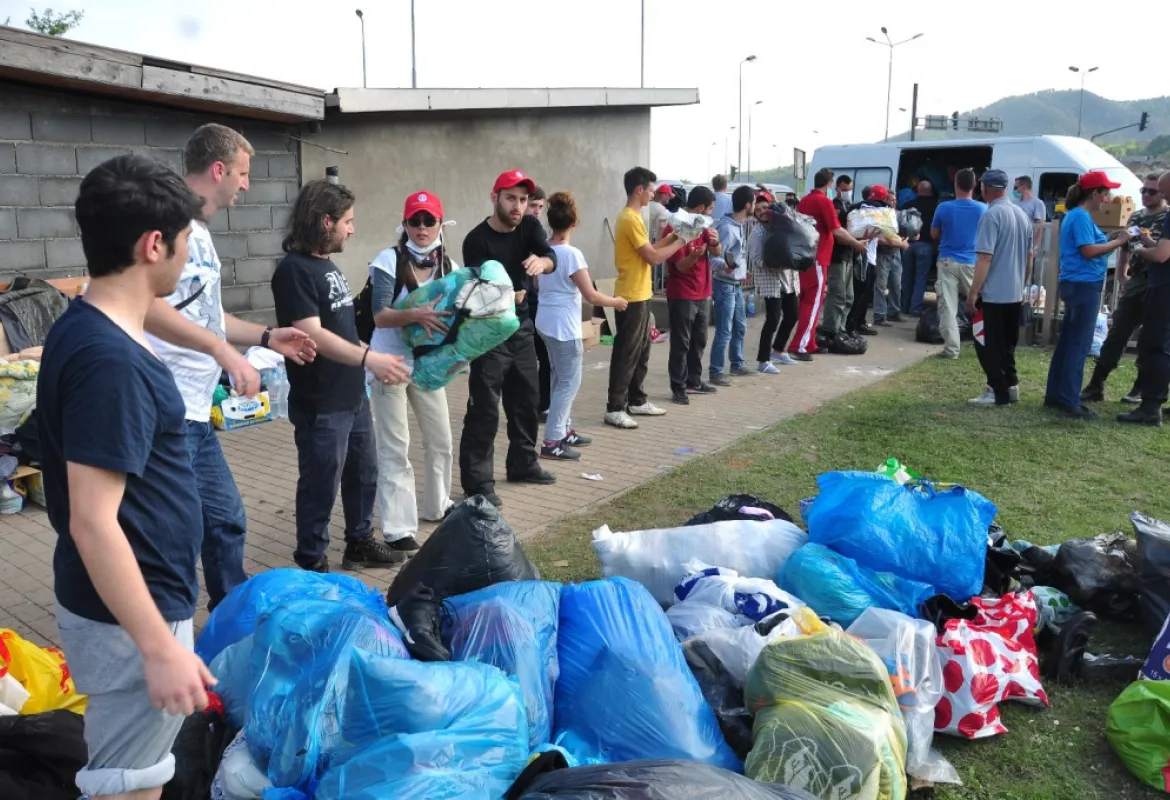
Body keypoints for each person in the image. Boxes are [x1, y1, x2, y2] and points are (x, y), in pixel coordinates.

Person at [40, 153, 215, 800]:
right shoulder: (109, 361)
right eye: (185, 243)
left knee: (134, 775)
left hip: (126, 602)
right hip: (128, 612)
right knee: (126, 786)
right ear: (152, 245)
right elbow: (91, 518)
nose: (186, 257)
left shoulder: (93, 325)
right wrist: (159, 647)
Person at [142, 124, 316, 611]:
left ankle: (229, 621)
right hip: (166, 409)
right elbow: (142, 305)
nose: (246, 185)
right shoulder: (168, 226)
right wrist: (224, 354)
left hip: (195, 411)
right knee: (181, 529)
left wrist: (266, 337)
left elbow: (207, 316)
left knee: (224, 520)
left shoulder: (200, 235)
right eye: (242, 173)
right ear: (218, 170)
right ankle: (172, 630)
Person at [272, 180, 411, 572]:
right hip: (321, 402)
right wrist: (371, 358)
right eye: (347, 221)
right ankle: (311, 558)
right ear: (325, 221)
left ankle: (360, 542)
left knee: (364, 472)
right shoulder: (293, 271)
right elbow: (312, 332)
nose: (352, 229)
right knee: (321, 481)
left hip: (352, 395)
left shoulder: (326, 265)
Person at [366, 190, 457, 553]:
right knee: (395, 447)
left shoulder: (448, 265)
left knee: (441, 439)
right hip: (390, 361)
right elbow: (380, 315)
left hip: (429, 364)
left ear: (439, 222)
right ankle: (399, 528)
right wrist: (415, 315)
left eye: (428, 220)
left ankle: (439, 505)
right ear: (404, 224)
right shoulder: (388, 260)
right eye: (414, 220)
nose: (422, 227)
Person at [460, 170, 558, 504]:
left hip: (522, 329)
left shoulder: (530, 226)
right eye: (511, 198)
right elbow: (475, 292)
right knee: (485, 409)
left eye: (524, 199)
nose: (519, 206)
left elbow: (551, 257)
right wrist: (507, 295)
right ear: (495, 197)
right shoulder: (476, 240)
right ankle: (478, 484)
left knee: (527, 401)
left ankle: (523, 462)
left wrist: (541, 262)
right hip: (488, 334)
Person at [537, 191, 627, 454]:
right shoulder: (572, 254)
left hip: (545, 321)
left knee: (559, 378)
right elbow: (590, 295)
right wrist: (616, 302)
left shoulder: (543, 250)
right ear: (574, 223)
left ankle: (563, 430)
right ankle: (552, 440)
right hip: (564, 327)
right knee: (569, 383)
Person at [1044, 171, 1131, 419]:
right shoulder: (1081, 217)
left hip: (1074, 283)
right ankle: (1069, 400)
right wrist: (1119, 241)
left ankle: (1055, 394)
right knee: (1078, 345)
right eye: (1106, 193)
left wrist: (1109, 238)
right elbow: (1089, 251)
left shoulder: (1076, 215)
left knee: (1068, 342)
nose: (1108, 198)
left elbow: (1090, 244)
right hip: (1084, 286)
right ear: (1095, 193)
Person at [606, 167, 686, 429]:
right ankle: (615, 407)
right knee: (626, 352)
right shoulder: (629, 218)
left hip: (641, 293)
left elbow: (649, 249)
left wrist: (677, 236)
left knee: (642, 351)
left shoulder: (636, 217)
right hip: (630, 294)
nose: (654, 195)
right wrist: (679, 244)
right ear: (639, 189)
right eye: (651, 190)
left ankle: (637, 401)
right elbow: (652, 258)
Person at [1082, 173, 1168, 404]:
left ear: (1163, 193)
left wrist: (1144, 248)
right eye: (1143, 191)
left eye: (1152, 191)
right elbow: (1125, 248)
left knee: (1150, 339)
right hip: (1137, 281)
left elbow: (1160, 253)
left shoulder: (1166, 217)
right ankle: (1096, 385)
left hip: (1158, 283)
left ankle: (1139, 388)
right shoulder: (1137, 216)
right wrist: (1121, 274)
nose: (1146, 195)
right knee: (1118, 333)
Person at [966, 170, 1033, 407]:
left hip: (994, 293)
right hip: (1014, 291)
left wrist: (974, 291)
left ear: (985, 188)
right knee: (1007, 344)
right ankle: (1011, 385)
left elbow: (985, 257)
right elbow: (1029, 256)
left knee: (987, 343)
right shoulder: (1021, 214)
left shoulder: (991, 215)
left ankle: (997, 390)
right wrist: (1022, 283)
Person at [793, 169, 867, 360]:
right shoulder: (823, 201)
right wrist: (856, 243)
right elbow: (837, 230)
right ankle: (801, 345)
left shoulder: (805, 200)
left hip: (806, 256)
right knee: (814, 301)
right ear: (830, 184)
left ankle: (808, 342)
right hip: (818, 257)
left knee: (808, 301)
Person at [1119, 170, 1170, 426]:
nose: (1159, 195)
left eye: (1161, 190)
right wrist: (1151, 242)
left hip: (1163, 288)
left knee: (1154, 345)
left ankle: (1150, 408)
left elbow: (1162, 256)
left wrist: (1140, 248)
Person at [664, 186, 721, 403]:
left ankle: (694, 379)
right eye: (710, 209)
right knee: (681, 343)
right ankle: (678, 386)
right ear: (700, 208)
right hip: (682, 293)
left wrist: (714, 242)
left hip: (702, 292)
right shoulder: (675, 225)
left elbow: (717, 251)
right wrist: (695, 256)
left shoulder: (703, 224)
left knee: (699, 340)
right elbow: (679, 266)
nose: (711, 213)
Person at [931, 168, 988, 359]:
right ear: (974, 186)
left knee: (947, 307)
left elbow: (934, 234)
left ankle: (952, 349)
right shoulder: (983, 209)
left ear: (955, 185)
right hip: (972, 262)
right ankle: (986, 340)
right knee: (981, 302)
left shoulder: (943, 208)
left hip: (947, 261)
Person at [748, 191, 799, 372]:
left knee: (792, 315)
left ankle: (778, 350)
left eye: (765, 207)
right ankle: (763, 361)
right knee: (773, 319)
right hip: (771, 283)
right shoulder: (757, 234)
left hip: (789, 281)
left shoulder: (781, 226)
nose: (762, 211)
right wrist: (773, 266)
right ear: (754, 213)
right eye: (758, 209)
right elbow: (755, 259)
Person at [709, 185, 755, 384]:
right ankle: (716, 370)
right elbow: (714, 257)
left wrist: (741, 271)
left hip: (735, 285)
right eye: (753, 202)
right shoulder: (727, 227)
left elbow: (735, 255)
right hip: (725, 285)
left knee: (740, 326)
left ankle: (736, 363)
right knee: (724, 329)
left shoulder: (738, 224)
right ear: (747, 204)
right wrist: (725, 268)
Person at [524, 186, 552, 420]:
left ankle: (543, 405)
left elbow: (547, 260)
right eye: (533, 205)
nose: (537, 211)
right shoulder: (516, 231)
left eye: (541, 207)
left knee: (544, 356)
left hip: (538, 303)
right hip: (519, 305)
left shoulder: (537, 231)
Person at [822, 174, 857, 337]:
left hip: (849, 255)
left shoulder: (851, 206)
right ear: (837, 189)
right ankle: (831, 329)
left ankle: (840, 328)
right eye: (844, 189)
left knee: (849, 296)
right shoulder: (833, 206)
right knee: (837, 295)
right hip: (837, 256)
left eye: (849, 189)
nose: (847, 192)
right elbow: (836, 231)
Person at [872, 185, 909, 326]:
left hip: (896, 254)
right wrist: (900, 243)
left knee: (896, 285)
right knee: (880, 286)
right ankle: (879, 315)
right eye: (891, 200)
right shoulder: (879, 215)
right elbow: (880, 238)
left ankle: (894, 312)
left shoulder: (897, 215)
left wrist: (908, 236)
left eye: (894, 200)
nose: (893, 202)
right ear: (885, 200)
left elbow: (907, 230)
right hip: (883, 254)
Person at [845, 186, 879, 337]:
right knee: (859, 294)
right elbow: (858, 235)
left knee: (864, 294)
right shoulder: (864, 213)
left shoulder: (861, 211)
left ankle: (859, 323)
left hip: (868, 258)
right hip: (863, 258)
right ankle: (852, 325)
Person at [901, 179, 938, 314]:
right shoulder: (937, 206)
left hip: (907, 245)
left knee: (906, 276)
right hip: (925, 246)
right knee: (921, 278)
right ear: (931, 191)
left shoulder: (907, 205)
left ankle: (904, 306)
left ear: (917, 190)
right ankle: (915, 308)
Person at [1013, 175, 1047, 256]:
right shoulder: (1015, 203)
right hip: (1015, 246)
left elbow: (1040, 228)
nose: (1014, 190)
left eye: (1016, 187)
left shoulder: (1038, 203)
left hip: (1028, 247)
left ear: (1024, 187)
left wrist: (1034, 247)